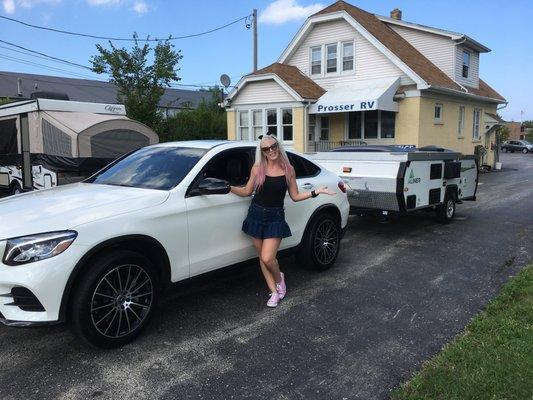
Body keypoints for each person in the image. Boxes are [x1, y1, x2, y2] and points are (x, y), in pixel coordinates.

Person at [230, 134, 335, 308]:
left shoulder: (288, 169)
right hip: (256, 215)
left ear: (278, 146)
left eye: (273, 146)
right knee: (262, 259)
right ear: (262, 152)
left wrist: (316, 192)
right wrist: (228, 188)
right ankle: (274, 292)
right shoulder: (257, 169)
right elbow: (247, 192)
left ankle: (280, 279)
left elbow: (294, 196)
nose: (271, 150)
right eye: (266, 149)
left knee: (268, 257)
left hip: (275, 217)